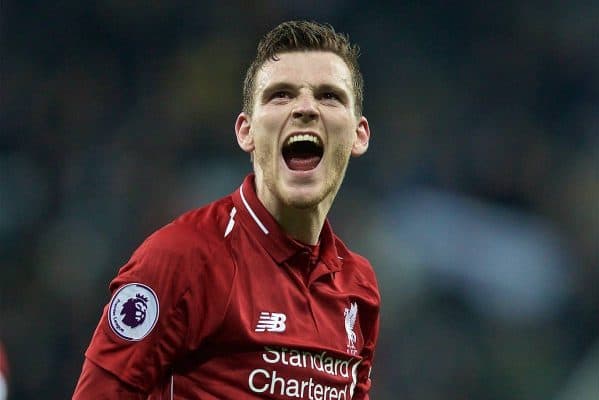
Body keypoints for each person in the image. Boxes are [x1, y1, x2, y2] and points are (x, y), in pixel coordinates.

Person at [73, 20, 380, 399]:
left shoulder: (359, 288)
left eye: (329, 96)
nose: (305, 108)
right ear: (245, 131)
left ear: (358, 134)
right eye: (280, 95)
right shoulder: (182, 258)